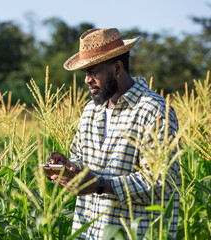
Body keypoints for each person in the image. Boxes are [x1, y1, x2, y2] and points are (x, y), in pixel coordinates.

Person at [46, 28, 180, 239]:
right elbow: (81, 159)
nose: (87, 80)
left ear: (117, 67)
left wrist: (99, 185)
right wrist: (69, 166)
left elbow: (164, 183)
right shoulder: (91, 110)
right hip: (88, 232)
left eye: (94, 72)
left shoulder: (154, 111)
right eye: (85, 73)